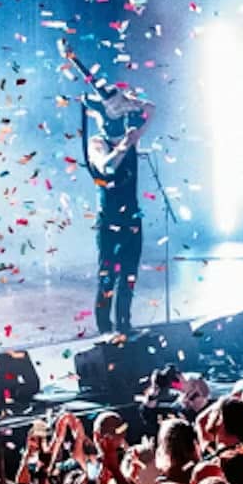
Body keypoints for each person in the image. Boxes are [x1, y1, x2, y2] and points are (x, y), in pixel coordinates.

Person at [87, 88, 152, 337]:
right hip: (109, 220)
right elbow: (107, 167)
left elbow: (151, 110)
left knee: (129, 275)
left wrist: (128, 101)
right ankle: (105, 329)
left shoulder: (130, 137)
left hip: (132, 218)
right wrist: (124, 145)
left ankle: (124, 324)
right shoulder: (97, 143)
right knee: (108, 277)